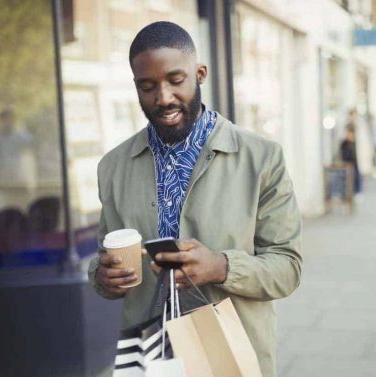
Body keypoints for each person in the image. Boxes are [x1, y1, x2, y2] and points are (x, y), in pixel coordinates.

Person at [87, 21, 302, 376]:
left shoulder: (262, 158)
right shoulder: (112, 167)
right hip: (149, 357)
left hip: (230, 356)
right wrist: (103, 277)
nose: (164, 98)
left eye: (176, 80)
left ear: (199, 74)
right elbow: (103, 262)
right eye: (148, 87)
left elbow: (288, 268)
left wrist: (221, 266)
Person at [340, 127, 361, 194]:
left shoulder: (354, 143)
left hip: (354, 164)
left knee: (357, 177)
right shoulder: (344, 144)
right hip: (347, 164)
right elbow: (344, 154)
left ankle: (357, 192)